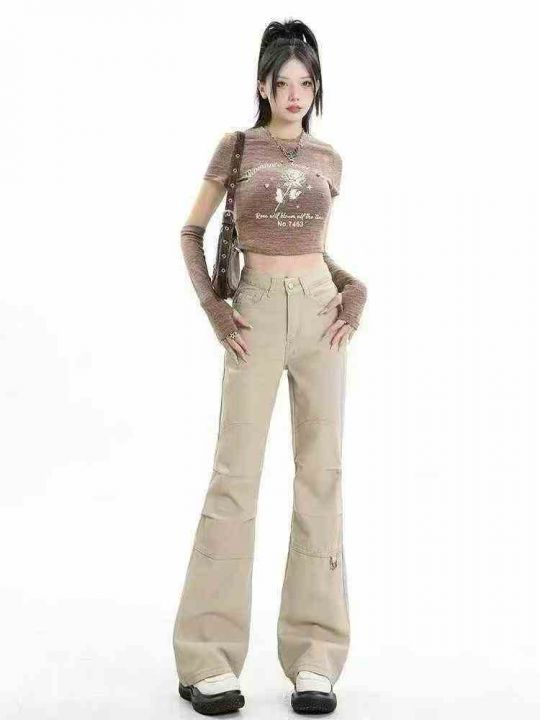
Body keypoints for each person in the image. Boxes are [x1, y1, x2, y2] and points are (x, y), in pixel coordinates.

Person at [172, 18, 367, 716]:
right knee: (236, 477)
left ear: (316, 89)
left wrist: (353, 288)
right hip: (252, 314)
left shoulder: (328, 159)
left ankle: (315, 657)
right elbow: (191, 232)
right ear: (262, 85)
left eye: (305, 83)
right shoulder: (237, 147)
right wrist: (215, 309)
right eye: (282, 82)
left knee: (321, 476)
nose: (294, 94)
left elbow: (312, 247)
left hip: (320, 316)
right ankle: (207, 657)